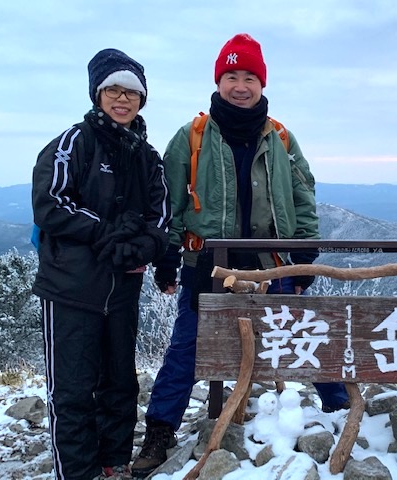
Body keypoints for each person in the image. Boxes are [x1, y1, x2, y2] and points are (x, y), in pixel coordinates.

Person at [131, 33, 349, 477]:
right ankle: (159, 432)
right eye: (231, 76)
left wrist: (306, 253)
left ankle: (341, 410)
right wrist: (167, 257)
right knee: (188, 348)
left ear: (262, 84)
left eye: (249, 76)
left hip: (274, 262)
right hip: (208, 265)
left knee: (304, 334)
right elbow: (169, 200)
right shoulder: (192, 136)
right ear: (219, 80)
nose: (240, 85)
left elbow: (304, 198)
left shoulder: (282, 138)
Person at [31, 48, 171, 480]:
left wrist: (146, 252)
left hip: (122, 291)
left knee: (120, 385)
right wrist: (107, 232)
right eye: (113, 89)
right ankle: (77, 472)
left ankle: (113, 464)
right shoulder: (74, 142)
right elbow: (49, 203)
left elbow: (160, 218)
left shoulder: (147, 158)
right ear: (97, 94)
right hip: (71, 290)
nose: (122, 99)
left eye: (131, 92)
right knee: (72, 390)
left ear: (142, 100)